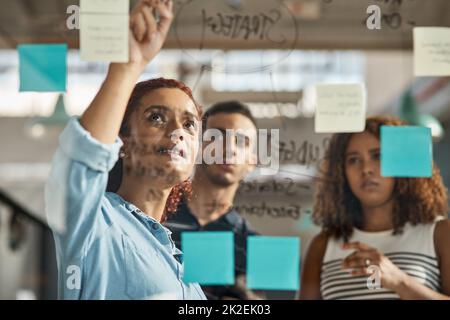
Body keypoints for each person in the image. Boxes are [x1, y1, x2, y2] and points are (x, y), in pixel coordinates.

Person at [45, 0, 206, 299]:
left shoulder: (185, 272)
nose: (176, 133)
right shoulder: (95, 220)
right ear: (123, 143)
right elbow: (82, 158)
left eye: (189, 124)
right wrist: (128, 66)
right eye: (156, 117)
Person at [300, 117, 450, 300]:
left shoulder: (439, 234)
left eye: (378, 156)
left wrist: (400, 282)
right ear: (341, 172)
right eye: (353, 160)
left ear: (401, 162)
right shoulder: (322, 245)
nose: (366, 169)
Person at [164, 101, 265, 299]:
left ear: (252, 161)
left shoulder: (252, 247)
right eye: (216, 137)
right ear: (197, 145)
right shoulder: (154, 217)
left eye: (242, 141)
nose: (229, 149)